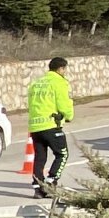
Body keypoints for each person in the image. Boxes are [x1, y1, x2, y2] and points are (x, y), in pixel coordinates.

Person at [26, 57, 75, 198]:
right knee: (62, 154)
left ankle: (37, 188)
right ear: (61, 69)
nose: (65, 72)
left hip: (35, 126)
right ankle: (51, 182)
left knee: (40, 158)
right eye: (65, 69)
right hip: (51, 124)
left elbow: (31, 104)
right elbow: (63, 102)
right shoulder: (59, 82)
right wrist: (69, 116)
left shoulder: (36, 83)